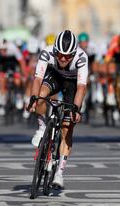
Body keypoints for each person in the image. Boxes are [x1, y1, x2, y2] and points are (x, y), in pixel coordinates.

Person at [27, 30, 88, 188]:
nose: (62, 58)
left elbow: (81, 87)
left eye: (68, 56)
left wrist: (76, 109)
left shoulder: (82, 58)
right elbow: (37, 79)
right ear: (55, 50)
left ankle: (59, 173)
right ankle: (42, 128)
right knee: (40, 95)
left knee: (67, 128)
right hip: (54, 77)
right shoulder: (47, 52)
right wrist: (33, 98)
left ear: (74, 54)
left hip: (73, 85)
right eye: (60, 54)